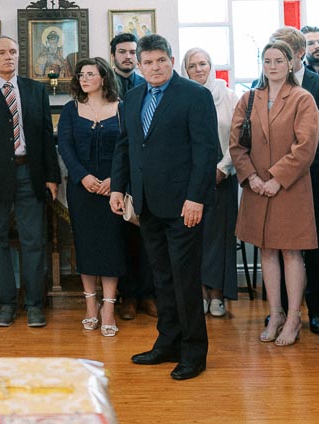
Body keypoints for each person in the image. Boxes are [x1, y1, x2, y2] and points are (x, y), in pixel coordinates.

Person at [110, 34, 219, 381]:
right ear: (138, 66)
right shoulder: (132, 97)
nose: (155, 68)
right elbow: (126, 146)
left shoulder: (195, 96)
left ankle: (193, 353)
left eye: (161, 61)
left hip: (184, 205)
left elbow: (206, 151)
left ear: (171, 60)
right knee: (162, 278)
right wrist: (118, 187)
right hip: (146, 204)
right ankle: (167, 343)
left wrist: (196, 197)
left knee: (185, 281)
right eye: (148, 62)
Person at [230, 40, 318, 347]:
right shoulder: (249, 98)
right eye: (267, 60)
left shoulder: (302, 98)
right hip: (256, 188)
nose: (272, 66)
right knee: (266, 251)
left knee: (291, 252)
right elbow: (236, 144)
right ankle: (276, 313)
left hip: (289, 188)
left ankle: (294, 317)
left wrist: (277, 179)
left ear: (291, 63)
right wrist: (251, 176)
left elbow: (305, 146)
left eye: (278, 60)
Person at [0, 35, 58, 328]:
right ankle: (6, 304)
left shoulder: (35, 90)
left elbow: (45, 136)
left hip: (30, 174)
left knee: (34, 241)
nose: (9, 57)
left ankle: (34, 304)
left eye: (14, 52)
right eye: (2, 52)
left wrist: (52, 177)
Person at [275, 25, 319, 330]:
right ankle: (283, 309)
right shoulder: (263, 85)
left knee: (314, 242)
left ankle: (317, 308)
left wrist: (297, 166)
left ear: (299, 54)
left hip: (313, 177)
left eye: (283, 55)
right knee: (280, 244)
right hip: (277, 179)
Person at [58, 57, 126, 337]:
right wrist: (82, 177)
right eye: (81, 75)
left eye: (90, 74)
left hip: (114, 190)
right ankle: (90, 305)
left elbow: (127, 147)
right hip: (82, 189)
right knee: (85, 246)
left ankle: (108, 308)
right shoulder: (71, 110)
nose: (84, 79)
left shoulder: (121, 109)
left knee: (111, 246)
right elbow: (65, 146)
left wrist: (115, 181)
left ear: (104, 78)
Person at [181, 47, 237, 318]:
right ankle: (200, 293)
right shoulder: (181, 97)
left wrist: (223, 168)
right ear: (185, 70)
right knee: (195, 237)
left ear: (211, 66)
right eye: (193, 66)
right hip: (190, 179)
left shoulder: (229, 97)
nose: (199, 69)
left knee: (219, 238)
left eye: (204, 63)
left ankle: (217, 295)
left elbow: (238, 139)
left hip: (222, 176)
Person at [109, 31, 153, 320]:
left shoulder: (147, 84)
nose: (127, 56)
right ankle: (126, 296)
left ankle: (148, 294)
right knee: (121, 238)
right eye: (122, 51)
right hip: (115, 170)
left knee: (147, 237)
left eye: (131, 52)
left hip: (145, 172)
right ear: (113, 55)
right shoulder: (104, 83)